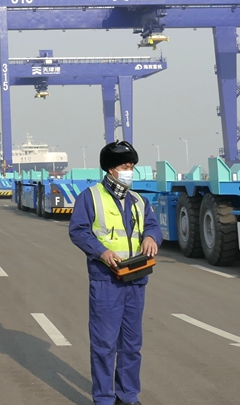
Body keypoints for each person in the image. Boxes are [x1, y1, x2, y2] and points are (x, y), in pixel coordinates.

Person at [68, 141, 162, 405]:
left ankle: (128, 396)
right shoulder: (91, 196)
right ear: (111, 169)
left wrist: (152, 238)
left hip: (136, 279)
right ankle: (104, 399)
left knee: (132, 345)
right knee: (104, 345)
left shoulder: (139, 201)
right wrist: (101, 251)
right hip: (106, 280)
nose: (129, 170)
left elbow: (153, 226)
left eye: (132, 166)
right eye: (124, 166)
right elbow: (79, 231)